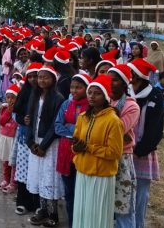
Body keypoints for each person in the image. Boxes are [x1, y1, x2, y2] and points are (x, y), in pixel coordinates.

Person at [71, 74, 124, 228]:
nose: (92, 96)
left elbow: (115, 152)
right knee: (82, 213)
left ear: (106, 96)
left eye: (97, 93)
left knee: (96, 217)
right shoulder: (82, 117)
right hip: (82, 172)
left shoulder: (113, 121)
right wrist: (76, 147)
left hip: (101, 176)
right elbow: (75, 144)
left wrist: (88, 147)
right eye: (90, 92)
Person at [22, 65, 66, 227]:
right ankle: (42, 210)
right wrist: (31, 143)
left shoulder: (58, 98)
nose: (41, 80)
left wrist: (43, 146)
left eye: (45, 77)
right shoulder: (35, 95)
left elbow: (55, 125)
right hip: (35, 141)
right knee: (38, 175)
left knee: (49, 176)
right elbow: (30, 119)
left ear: (53, 79)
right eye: (39, 77)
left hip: (50, 144)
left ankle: (53, 213)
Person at [127, 58, 164, 228]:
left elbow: (156, 130)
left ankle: (137, 224)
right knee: (124, 192)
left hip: (141, 153)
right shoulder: (127, 92)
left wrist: (139, 150)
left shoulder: (154, 96)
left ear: (139, 76)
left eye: (131, 73)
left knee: (140, 195)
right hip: (124, 151)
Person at [53, 73, 90, 226]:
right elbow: (57, 127)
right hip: (66, 153)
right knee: (69, 192)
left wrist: (69, 128)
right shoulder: (66, 104)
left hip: (83, 154)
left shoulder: (92, 107)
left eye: (79, 88)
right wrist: (76, 132)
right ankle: (71, 222)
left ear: (87, 89)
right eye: (72, 87)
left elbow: (90, 131)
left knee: (81, 192)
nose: (74, 91)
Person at [107, 64, 140, 228]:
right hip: (104, 156)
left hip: (122, 159)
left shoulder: (131, 106)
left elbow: (116, 131)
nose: (111, 83)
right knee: (105, 205)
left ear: (125, 83)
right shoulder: (105, 100)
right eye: (109, 79)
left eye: (116, 80)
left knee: (123, 206)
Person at [0, 83, 20, 193]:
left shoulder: (19, 109)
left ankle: (13, 182)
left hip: (14, 139)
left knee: (13, 162)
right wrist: (9, 110)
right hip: (5, 138)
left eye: (13, 98)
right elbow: (1, 121)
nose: (10, 100)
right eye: (8, 97)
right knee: (5, 160)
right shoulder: (5, 108)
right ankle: (6, 179)